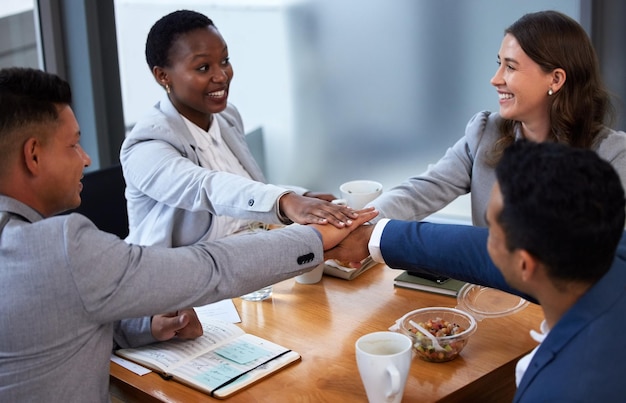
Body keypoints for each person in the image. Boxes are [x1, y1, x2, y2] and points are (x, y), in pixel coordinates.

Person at [0, 67, 376, 402]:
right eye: (73, 145)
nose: (86, 158)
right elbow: (208, 268)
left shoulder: (225, 119)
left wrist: (144, 325)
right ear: (33, 156)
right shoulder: (59, 245)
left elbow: (50, 325)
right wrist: (314, 239)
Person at [327, 140, 626, 401]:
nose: (483, 240)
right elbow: (467, 247)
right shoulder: (609, 253)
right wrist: (373, 238)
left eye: (492, 231)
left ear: (525, 264)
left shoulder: (563, 391)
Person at [120, 9, 356, 249]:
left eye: (224, 61)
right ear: (162, 76)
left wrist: (302, 197)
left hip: (246, 255)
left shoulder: (226, 116)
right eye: (203, 68)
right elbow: (205, 187)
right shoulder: (146, 147)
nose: (221, 76)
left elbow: (242, 186)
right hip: (183, 275)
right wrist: (284, 201)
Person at [369, 10, 626, 227]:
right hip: (487, 289)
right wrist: (358, 221)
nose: (495, 79)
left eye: (511, 67)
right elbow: (419, 192)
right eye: (499, 63)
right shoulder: (485, 132)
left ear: (555, 79)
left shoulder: (613, 155)